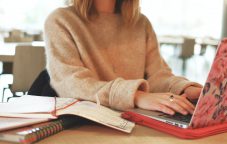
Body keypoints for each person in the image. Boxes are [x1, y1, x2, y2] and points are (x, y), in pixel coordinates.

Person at [44, 0, 202, 116]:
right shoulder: (61, 20)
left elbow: (158, 75)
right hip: (86, 126)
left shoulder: (141, 23)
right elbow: (72, 84)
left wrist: (185, 89)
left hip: (136, 122)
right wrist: (136, 96)